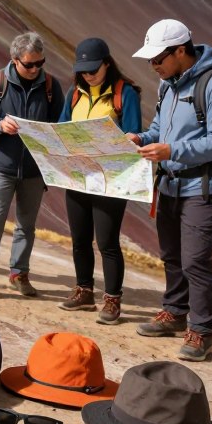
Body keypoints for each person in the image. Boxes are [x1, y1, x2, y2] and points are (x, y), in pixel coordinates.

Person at [127, 19, 212, 362]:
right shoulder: (168, 86)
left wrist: (172, 151)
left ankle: (202, 331)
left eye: (159, 59)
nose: (154, 66)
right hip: (171, 184)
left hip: (202, 187)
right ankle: (175, 313)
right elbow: (160, 128)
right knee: (172, 255)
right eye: (150, 61)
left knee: (195, 261)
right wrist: (141, 139)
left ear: (180, 50)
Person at [0, 31, 64, 301]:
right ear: (14, 59)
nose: (35, 69)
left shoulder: (50, 86)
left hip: (35, 170)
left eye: (40, 63)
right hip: (1, 165)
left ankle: (19, 274)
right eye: (29, 64)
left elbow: (59, 123)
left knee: (27, 225)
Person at [57, 38, 142, 324]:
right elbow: (61, 126)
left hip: (111, 178)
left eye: (93, 69)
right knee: (80, 238)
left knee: (107, 241)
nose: (88, 75)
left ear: (107, 63)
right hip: (79, 176)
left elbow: (134, 133)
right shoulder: (75, 93)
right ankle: (83, 291)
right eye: (83, 70)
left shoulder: (125, 94)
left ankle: (112, 300)